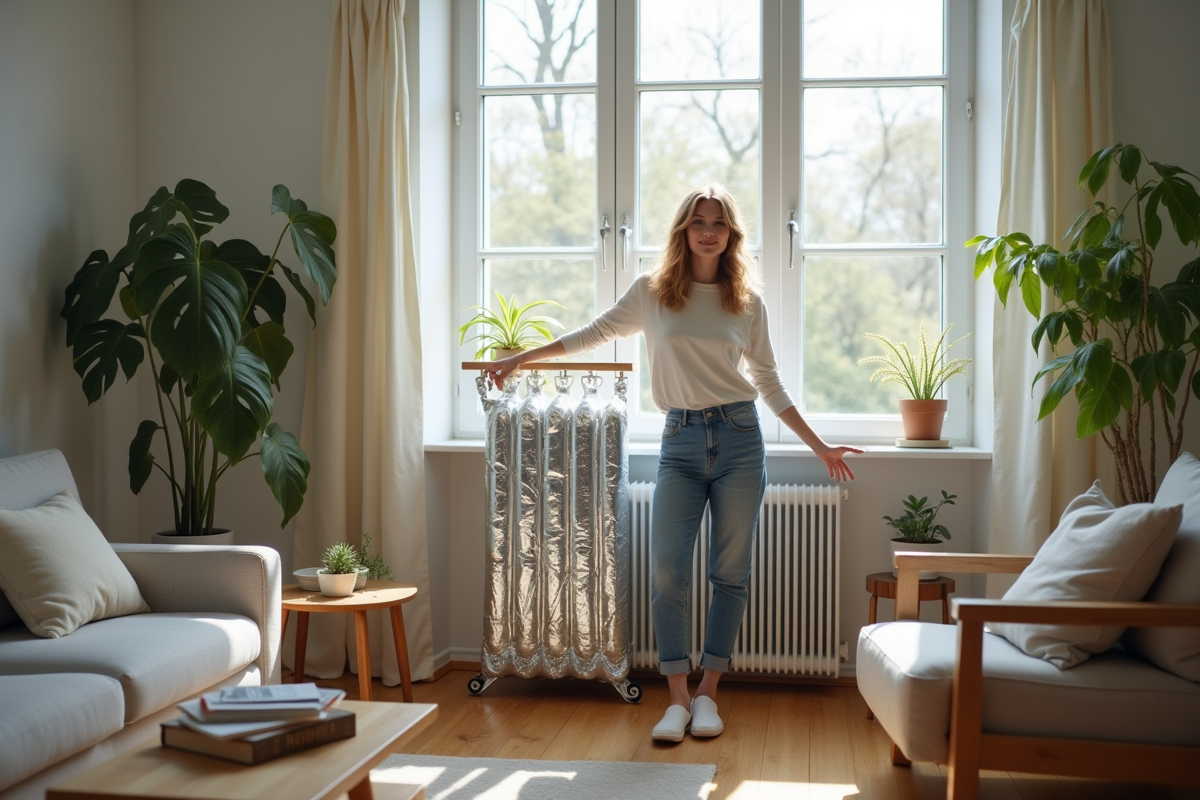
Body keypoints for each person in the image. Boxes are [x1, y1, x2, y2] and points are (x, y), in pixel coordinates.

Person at [487, 184, 862, 742]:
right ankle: (678, 698)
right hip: (679, 441)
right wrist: (523, 357)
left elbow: (768, 382)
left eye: (718, 223)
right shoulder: (653, 292)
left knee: (730, 574)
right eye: (697, 221)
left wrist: (820, 446)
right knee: (667, 575)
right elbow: (595, 332)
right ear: (683, 230)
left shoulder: (747, 302)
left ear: (731, 234)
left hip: (740, 439)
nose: (708, 230)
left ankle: (710, 692)